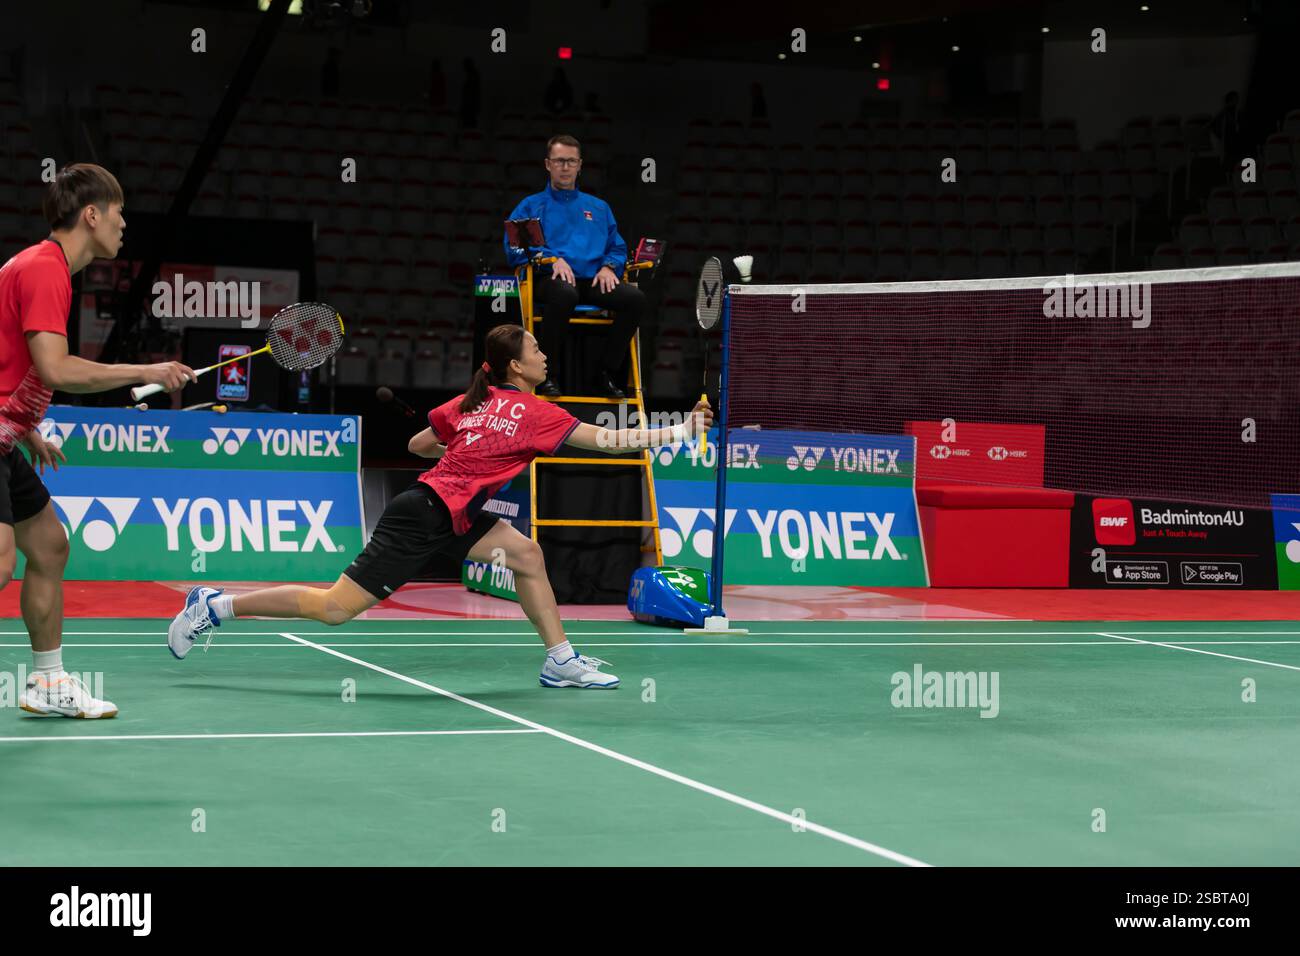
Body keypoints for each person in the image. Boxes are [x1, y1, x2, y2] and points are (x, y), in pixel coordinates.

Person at [167, 324, 711, 690]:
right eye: (536, 350)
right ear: (516, 368)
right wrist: (681, 431)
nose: (544, 355)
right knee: (333, 608)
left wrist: (467, 445)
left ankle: (559, 660)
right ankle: (215, 605)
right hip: (423, 514)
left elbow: (418, 446)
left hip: (456, 511)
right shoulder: (535, 412)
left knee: (526, 555)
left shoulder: (472, 402)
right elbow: (608, 442)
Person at [0, 163, 195, 718]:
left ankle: (46, 683)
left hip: (5, 436)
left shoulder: (41, 266)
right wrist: (147, 372)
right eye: (118, 212)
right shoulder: (45, 269)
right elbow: (56, 368)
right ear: (91, 214)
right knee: (0, 562)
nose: (124, 224)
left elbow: (11, 360)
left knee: (50, 546)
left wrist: (25, 427)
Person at [503, 134, 645, 399]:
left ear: (580, 165)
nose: (565, 167)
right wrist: (551, 258)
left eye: (571, 161)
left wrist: (609, 267)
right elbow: (515, 248)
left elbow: (617, 247)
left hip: (592, 280)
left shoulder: (599, 208)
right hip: (548, 280)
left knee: (634, 299)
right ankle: (547, 375)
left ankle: (605, 373)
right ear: (548, 164)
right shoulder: (531, 205)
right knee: (565, 293)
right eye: (559, 161)